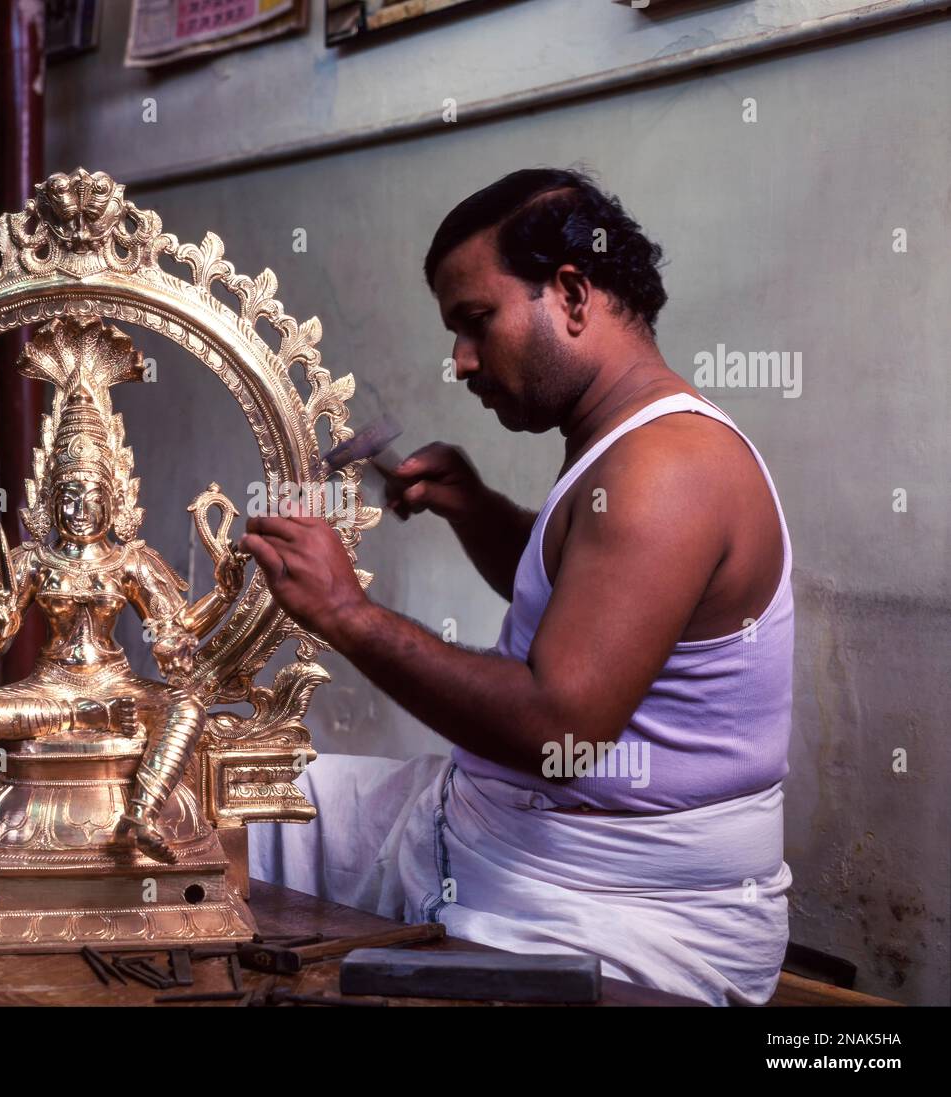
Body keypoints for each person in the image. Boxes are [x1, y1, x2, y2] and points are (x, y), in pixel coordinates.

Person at [238, 168, 794, 1006]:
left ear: (571, 293)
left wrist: (346, 613)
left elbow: (556, 721)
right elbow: (588, 607)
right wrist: (481, 510)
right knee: (220, 794)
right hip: (491, 831)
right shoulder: (618, 443)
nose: (460, 361)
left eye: (475, 323)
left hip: (605, 913)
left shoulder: (668, 469)